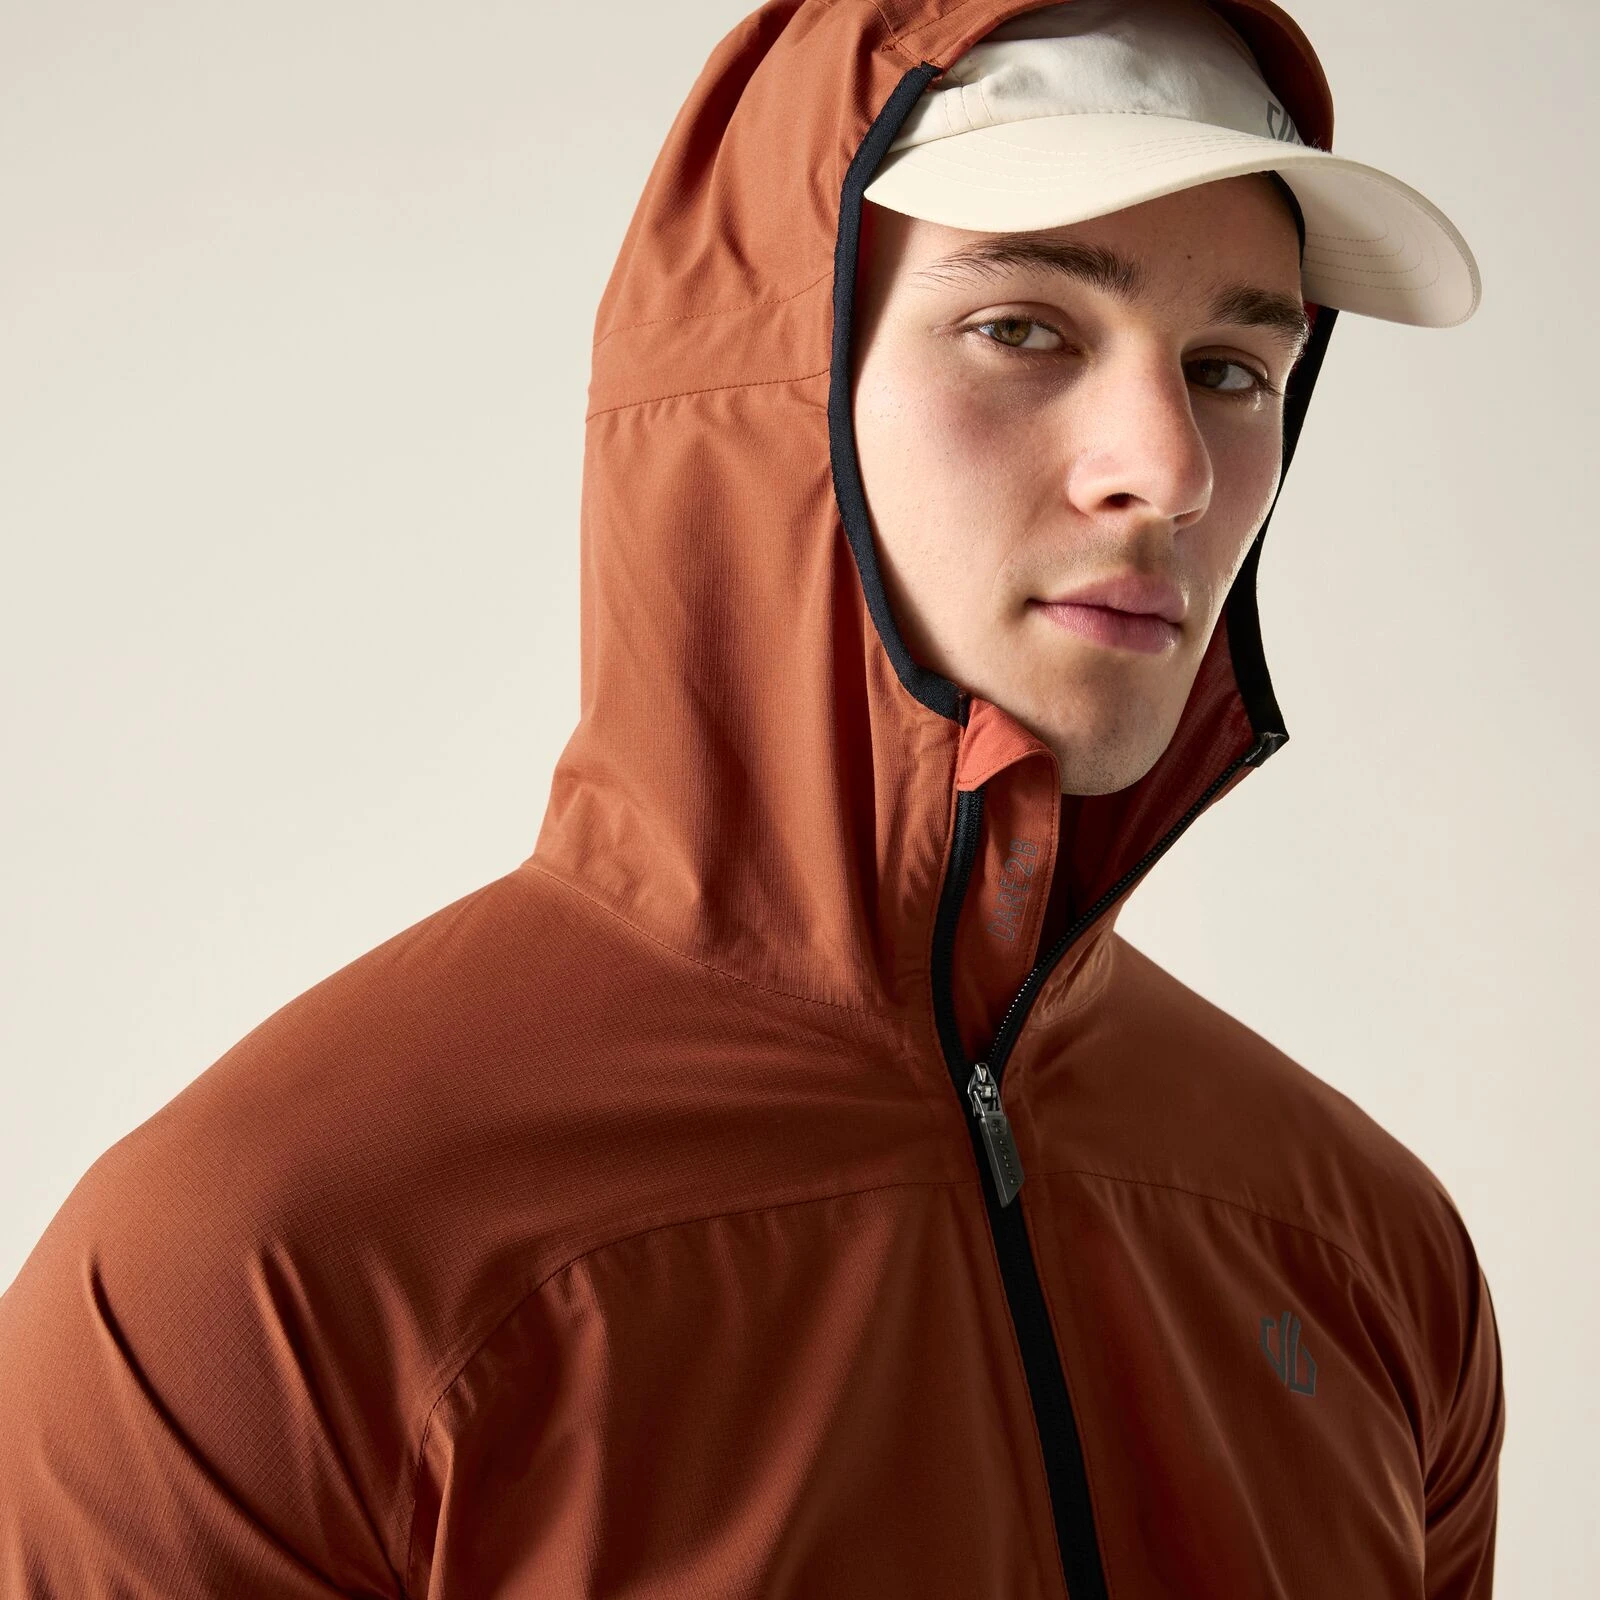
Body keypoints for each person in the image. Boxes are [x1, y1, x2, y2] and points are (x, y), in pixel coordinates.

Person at [0, 0, 1504, 1595]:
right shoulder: (259, 1281)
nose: (1173, 470)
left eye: (1232, 369)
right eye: (1024, 329)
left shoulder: (1370, 1251)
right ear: (766, 390)